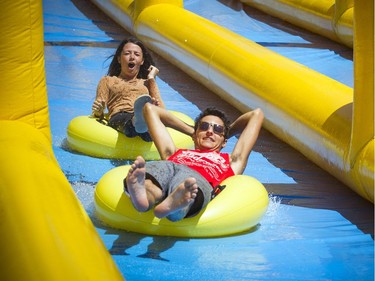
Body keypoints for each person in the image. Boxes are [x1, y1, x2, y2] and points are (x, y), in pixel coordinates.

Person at [124, 104, 264, 221]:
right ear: (195, 135)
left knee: (188, 185)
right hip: (169, 166)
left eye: (217, 129)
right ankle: (142, 197)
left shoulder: (232, 161)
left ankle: (177, 206)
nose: (209, 131)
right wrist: (193, 131)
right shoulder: (173, 152)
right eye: (204, 127)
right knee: (155, 175)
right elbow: (150, 109)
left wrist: (225, 133)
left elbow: (256, 115)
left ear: (224, 141)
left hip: (199, 178)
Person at [91, 37, 165, 142]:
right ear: (119, 59)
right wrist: (99, 111)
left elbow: (162, 109)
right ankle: (137, 121)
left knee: (149, 119)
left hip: (146, 115)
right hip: (120, 115)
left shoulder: (147, 83)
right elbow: (99, 107)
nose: (132, 57)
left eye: (137, 54)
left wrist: (151, 78)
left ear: (142, 61)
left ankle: (142, 122)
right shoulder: (107, 80)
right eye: (127, 53)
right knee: (126, 121)